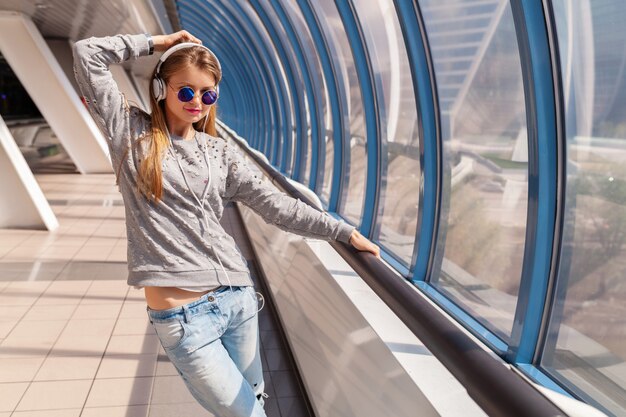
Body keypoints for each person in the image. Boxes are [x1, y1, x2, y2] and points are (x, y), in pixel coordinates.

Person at [72, 30, 380, 417]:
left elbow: (276, 205)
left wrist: (343, 232)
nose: (197, 102)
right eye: (186, 91)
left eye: (208, 94)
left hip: (238, 300)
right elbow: (87, 54)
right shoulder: (131, 134)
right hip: (183, 320)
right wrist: (158, 43)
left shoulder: (219, 151)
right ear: (161, 87)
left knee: (257, 402)